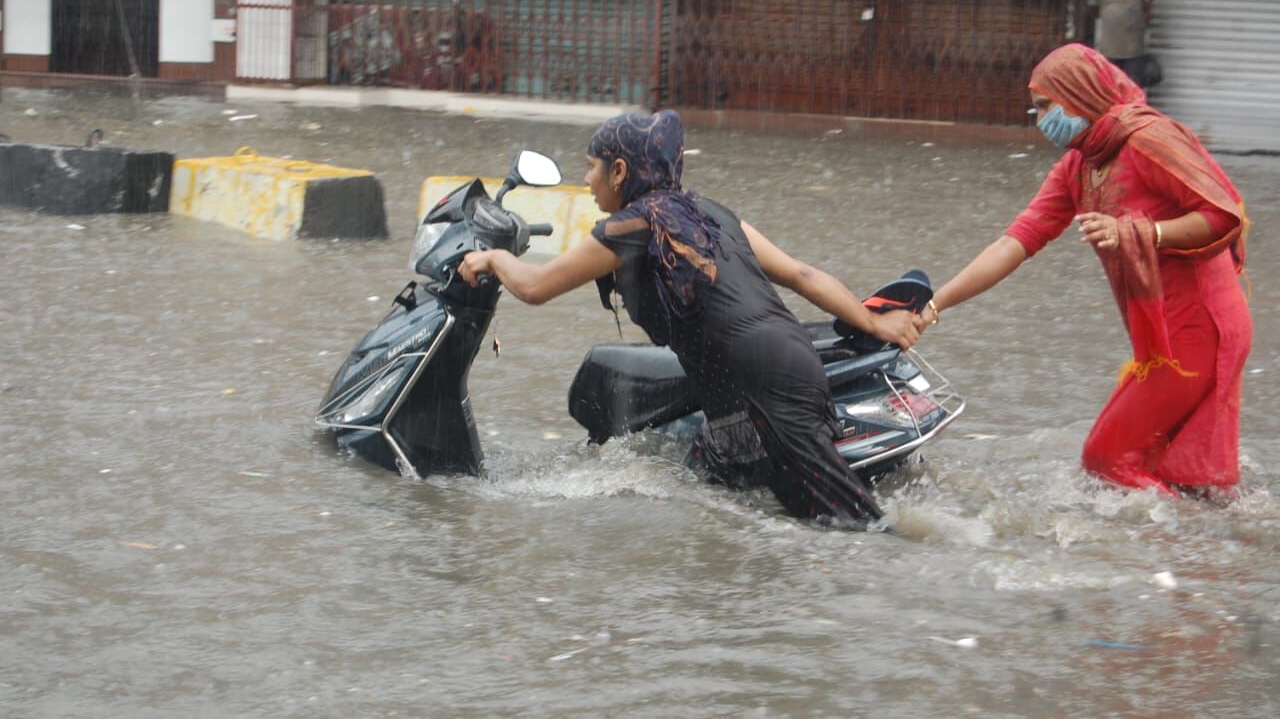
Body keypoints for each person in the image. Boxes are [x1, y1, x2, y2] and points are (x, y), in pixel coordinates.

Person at [459, 110, 919, 524]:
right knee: (708, 491)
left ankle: (928, 558)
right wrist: (873, 322)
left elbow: (535, 287)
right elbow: (803, 274)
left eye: (591, 166)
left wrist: (495, 259)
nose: (586, 180)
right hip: (778, 368)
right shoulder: (710, 213)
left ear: (619, 171)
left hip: (764, 387)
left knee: (853, 527)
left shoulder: (632, 226)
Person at [916, 44, 1250, 496]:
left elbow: (1222, 215)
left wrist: (1145, 233)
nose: (1039, 120)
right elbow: (1014, 242)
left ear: (1080, 93)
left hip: (1200, 325)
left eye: (1045, 105)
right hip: (1161, 332)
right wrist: (936, 305)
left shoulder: (1149, 139)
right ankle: (1194, 551)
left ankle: (1191, 548)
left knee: (1105, 457)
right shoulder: (1079, 165)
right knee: (1152, 460)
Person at [1088, 0, 1155, 87]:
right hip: (1109, 51)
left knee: (1132, 91)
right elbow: (1094, 10)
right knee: (1109, 90)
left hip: (1134, 52)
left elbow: (1148, 9)